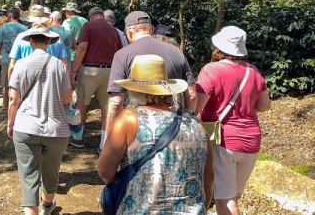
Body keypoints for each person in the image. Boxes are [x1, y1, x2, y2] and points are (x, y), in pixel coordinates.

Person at [97, 54, 214, 214]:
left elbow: (105, 170)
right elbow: (208, 178)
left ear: (133, 89)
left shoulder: (130, 118)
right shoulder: (196, 125)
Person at [195, 26, 271, 215]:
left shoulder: (211, 70)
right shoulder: (253, 71)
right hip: (252, 141)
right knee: (233, 197)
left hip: (224, 141)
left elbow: (197, 107)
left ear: (219, 47)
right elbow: (264, 105)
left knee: (225, 201)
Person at [8, 24, 72, 215]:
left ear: (30, 41)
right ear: (48, 41)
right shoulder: (60, 65)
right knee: (51, 171)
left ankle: (31, 211)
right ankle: (47, 205)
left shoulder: (20, 64)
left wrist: (10, 124)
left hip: (26, 128)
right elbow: (67, 99)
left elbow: (13, 99)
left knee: (28, 176)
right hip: (56, 129)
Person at [107, 11, 197, 134]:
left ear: (129, 32)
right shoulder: (176, 52)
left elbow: (116, 102)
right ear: (152, 30)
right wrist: (190, 121)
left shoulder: (122, 55)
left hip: (136, 128)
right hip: (173, 127)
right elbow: (192, 95)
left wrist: (109, 135)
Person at [70, 7, 123, 152]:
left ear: (91, 16)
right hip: (110, 72)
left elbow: (81, 49)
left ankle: (78, 138)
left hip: (90, 71)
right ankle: (103, 143)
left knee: (82, 103)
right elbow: (119, 52)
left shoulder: (88, 26)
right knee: (106, 108)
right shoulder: (113, 30)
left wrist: (74, 70)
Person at [9, 7, 69, 82]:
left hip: (26, 82)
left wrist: (11, 88)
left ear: (29, 21)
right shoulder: (56, 37)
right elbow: (64, 64)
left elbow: (12, 65)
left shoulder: (21, 37)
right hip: (51, 82)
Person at [0, 8, 28, 109]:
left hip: (7, 59)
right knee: (20, 84)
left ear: (9, 16)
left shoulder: (3, 28)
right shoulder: (25, 28)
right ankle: (19, 105)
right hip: (22, 60)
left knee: (6, 84)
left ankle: (5, 104)